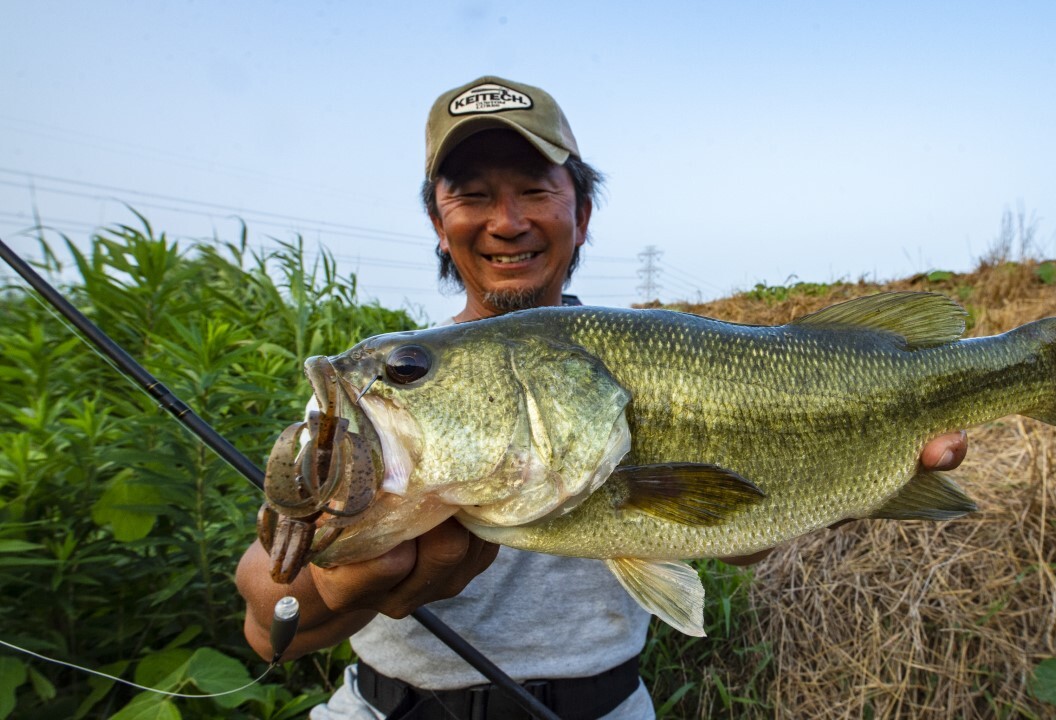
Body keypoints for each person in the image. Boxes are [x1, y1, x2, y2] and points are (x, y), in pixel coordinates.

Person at [236, 75, 969, 720]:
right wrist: (336, 586)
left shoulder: (657, 355)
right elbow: (268, 621)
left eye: (533, 189)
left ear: (581, 212)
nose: (507, 220)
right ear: (439, 219)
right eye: (473, 194)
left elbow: (736, 530)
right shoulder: (376, 394)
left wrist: (823, 487)